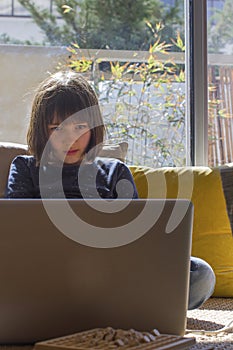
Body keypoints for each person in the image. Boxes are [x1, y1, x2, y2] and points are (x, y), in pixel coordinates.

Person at [5, 70, 215, 309]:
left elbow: (138, 240)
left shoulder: (115, 171)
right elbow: (15, 233)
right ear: (42, 129)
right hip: (43, 273)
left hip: (110, 274)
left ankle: (105, 303)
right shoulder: (25, 167)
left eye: (80, 127)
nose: (70, 139)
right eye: (57, 128)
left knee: (199, 273)